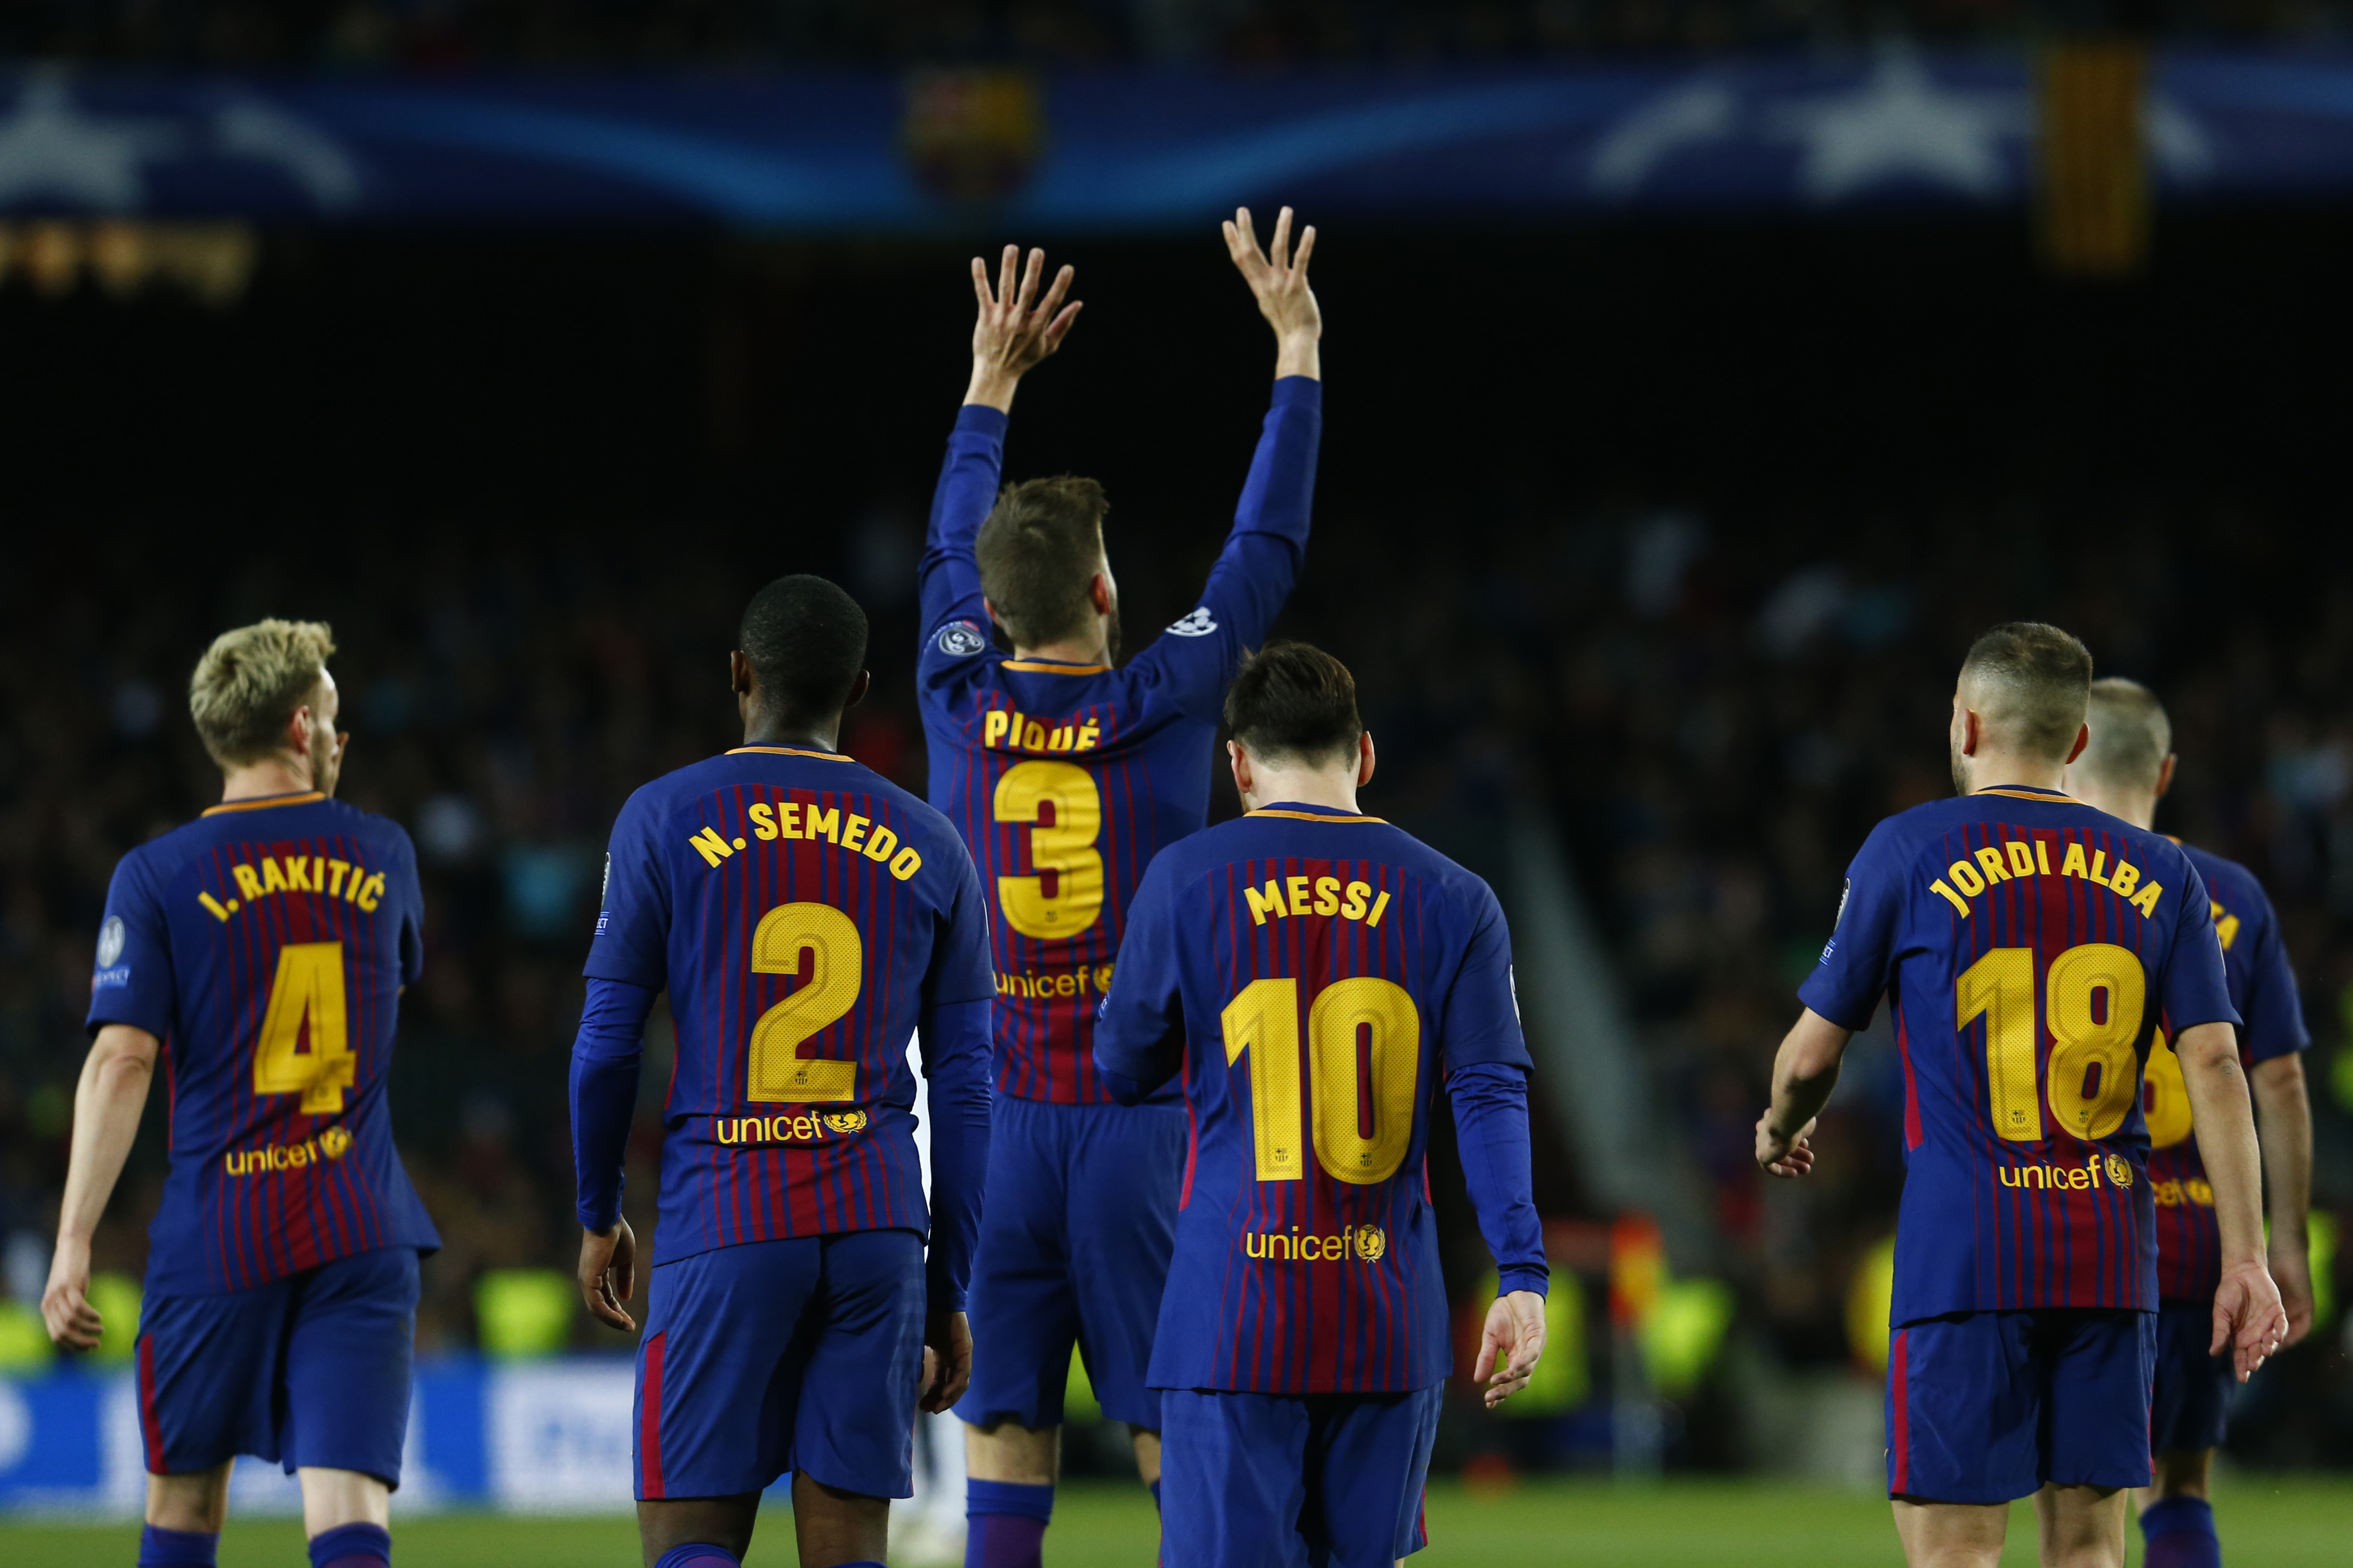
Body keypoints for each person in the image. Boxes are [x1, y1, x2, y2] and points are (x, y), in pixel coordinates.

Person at [914, 210, 1322, 1565]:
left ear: (989, 603)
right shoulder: (1162, 698)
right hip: (1147, 1125)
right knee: (1174, 1432)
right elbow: (1257, 557)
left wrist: (990, 382)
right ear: (1102, 584)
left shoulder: (955, 695)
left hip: (998, 1134)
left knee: (1001, 1444)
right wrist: (1295, 349)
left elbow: (940, 557)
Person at [1755, 621, 2289, 1568]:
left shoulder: (1908, 848)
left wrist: (1779, 1127)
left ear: (1964, 727)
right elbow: (2217, 1068)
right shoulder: (2166, 873)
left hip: (1965, 1255)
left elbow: (1809, 1059)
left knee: (1956, 1549)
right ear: (2077, 741)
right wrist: (2245, 1255)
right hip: (2113, 1260)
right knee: (2087, 1548)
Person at [1092, 642, 1549, 1568]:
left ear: (1239, 763)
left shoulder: (1185, 880)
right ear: (1365, 755)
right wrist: (1522, 1272)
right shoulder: (1458, 898)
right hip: (1386, 1313)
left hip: (1232, 1308)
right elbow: (1491, 1091)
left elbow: (1120, 1066)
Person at [570, 574, 995, 1568]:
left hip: (728, 1215)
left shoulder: (662, 816)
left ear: (739, 674)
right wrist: (948, 1285)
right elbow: (968, 1093)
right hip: (874, 1229)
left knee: (690, 1543)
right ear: (858, 691)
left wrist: (600, 1213)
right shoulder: (936, 845)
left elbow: (605, 1044)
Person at [42, 619, 440, 1568]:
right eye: (336, 717)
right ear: (303, 728)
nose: (343, 739)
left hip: (219, 1235)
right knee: (348, 1509)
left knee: (183, 1507)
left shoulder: (155, 877)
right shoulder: (383, 854)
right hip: (358, 1226)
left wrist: (73, 1238)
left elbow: (122, 1063)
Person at [2062, 677, 2315, 1568]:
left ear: (2065, 755)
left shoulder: (2050, 885)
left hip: (2078, 1227)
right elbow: (2277, 1081)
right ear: (2163, 770)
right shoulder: (2232, 895)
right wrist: (2285, 1246)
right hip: (2204, 1240)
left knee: (2080, 1510)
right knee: (2178, 1485)